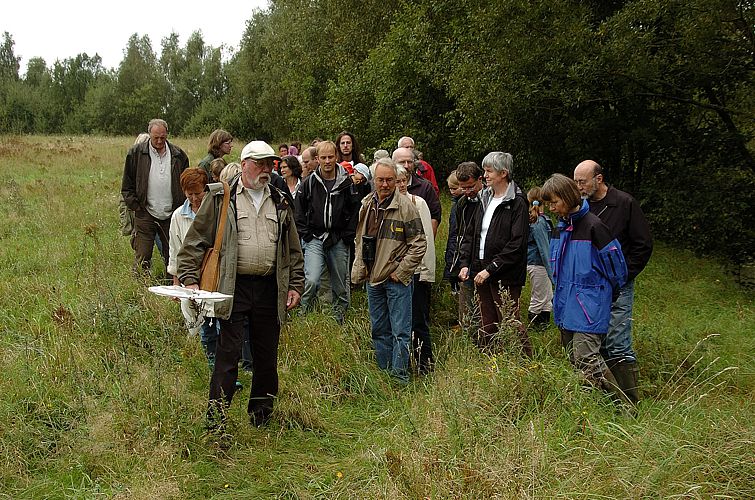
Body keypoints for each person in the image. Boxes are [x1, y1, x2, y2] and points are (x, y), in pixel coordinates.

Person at [176, 140, 304, 429]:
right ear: (244, 164)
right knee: (228, 355)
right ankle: (216, 420)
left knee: (266, 356)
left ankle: (261, 416)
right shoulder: (222, 198)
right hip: (232, 287)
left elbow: (293, 249)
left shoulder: (280, 198)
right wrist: (189, 279)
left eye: (270, 164)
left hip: (270, 288)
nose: (266, 170)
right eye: (259, 164)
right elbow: (194, 242)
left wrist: (295, 284)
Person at [541, 173, 629, 403]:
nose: (551, 208)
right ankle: (589, 408)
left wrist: (607, 297)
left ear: (568, 197)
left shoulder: (594, 226)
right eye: (549, 203)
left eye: (554, 202)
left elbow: (616, 268)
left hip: (589, 305)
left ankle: (624, 407)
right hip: (565, 304)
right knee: (573, 359)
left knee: (587, 357)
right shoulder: (559, 228)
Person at [573, 160, 653, 404]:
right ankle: (605, 399)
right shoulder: (580, 207)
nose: (578, 187)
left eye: (582, 181)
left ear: (599, 178)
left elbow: (643, 244)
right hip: (588, 287)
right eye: (575, 182)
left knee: (617, 343)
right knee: (596, 342)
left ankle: (630, 401)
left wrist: (624, 276)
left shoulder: (624, 203)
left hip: (618, 285)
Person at [352, 158, 427, 384]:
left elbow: (419, 243)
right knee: (379, 329)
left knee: (401, 332)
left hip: (395, 280)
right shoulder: (367, 203)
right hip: (372, 277)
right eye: (381, 180)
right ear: (374, 180)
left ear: (397, 181)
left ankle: (400, 376)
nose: (384, 184)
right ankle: (384, 374)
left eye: (389, 180)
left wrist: (401, 272)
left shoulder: (406, 207)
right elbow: (359, 241)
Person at [457, 152, 532, 355]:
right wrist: (465, 264)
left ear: (503, 173)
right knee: (487, 323)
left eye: (489, 171)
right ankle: (491, 363)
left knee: (509, 320)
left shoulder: (517, 202)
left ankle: (525, 363)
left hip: (504, 274)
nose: (485, 175)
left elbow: (516, 244)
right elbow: (471, 234)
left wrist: (491, 269)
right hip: (480, 270)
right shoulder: (484, 198)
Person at [294, 140, 361, 324]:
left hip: (339, 237)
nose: (327, 161)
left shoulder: (346, 182)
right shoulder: (309, 183)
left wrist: (348, 235)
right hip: (314, 237)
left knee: (340, 283)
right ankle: (304, 314)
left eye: (331, 157)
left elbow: (356, 209)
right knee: (312, 279)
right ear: (317, 159)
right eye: (323, 157)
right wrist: (305, 234)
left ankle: (340, 319)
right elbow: (298, 210)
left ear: (336, 157)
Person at [167, 167, 220, 371]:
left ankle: (230, 363)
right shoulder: (179, 216)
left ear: (205, 190)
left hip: (213, 273)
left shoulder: (216, 212)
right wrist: (176, 281)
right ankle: (212, 363)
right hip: (190, 276)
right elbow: (175, 249)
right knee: (202, 319)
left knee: (218, 319)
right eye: (190, 195)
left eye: (198, 194)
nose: (195, 199)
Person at [121, 118, 190, 274]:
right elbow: (127, 185)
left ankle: (173, 287)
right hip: (145, 213)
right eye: (155, 138)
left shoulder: (179, 155)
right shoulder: (136, 153)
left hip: (171, 214)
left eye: (162, 137)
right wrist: (136, 207)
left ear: (167, 135)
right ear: (149, 134)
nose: (159, 141)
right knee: (143, 255)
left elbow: (186, 183)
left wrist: (181, 207)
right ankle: (139, 289)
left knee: (172, 255)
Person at [396, 165, 435, 374]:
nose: (401, 185)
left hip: (417, 272)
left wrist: (427, 273)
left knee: (418, 321)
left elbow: (426, 239)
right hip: (393, 274)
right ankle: (401, 364)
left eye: (404, 181)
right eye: (397, 181)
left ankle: (425, 365)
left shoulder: (418, 203)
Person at [450, 162, 484, 331]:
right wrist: (461, 263)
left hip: (486, 263)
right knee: (466, 312)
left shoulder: (488, 201)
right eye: (464, 188)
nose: (468, 192)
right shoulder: (461, 204)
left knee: (486, 312)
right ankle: (469, 340)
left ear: (480, 179)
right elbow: (460, 235)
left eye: (471, 187)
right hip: (466, 263)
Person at [392, 147, 441, 236]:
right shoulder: (386, 186)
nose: (406, 166)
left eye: (410, 162)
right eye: (402, 162)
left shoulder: (425, 187)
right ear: (393, 163)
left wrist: (428, 244)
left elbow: (434, 217)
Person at [526, 187, 554, 327]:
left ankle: (543, 327)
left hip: (541, 264)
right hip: (539, 264)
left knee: (547, 298)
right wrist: (552, 272)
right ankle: (532, 328)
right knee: (539, 298)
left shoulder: (539, 220)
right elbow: (544, 248)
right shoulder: (538, 222)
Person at [443, 171, 462, 294]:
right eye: (450, 189)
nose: (452, 191)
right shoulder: (455, 203)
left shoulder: (461, 204)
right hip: (453, 241)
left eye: (454, 188)